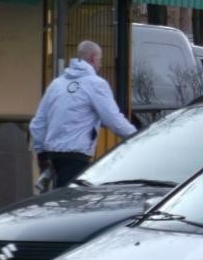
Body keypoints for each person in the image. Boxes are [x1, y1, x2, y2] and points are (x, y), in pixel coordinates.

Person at [29, 40, 137, 188]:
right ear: (93, 58)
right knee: (72, 204)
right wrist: (138, 137)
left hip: (54, 156)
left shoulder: (57, 84)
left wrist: (41, 156)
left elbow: (38, 123)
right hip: (77, 156)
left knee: (58, 201)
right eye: (100, 59)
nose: (101, 64)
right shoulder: (96, 84)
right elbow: (114, 120)